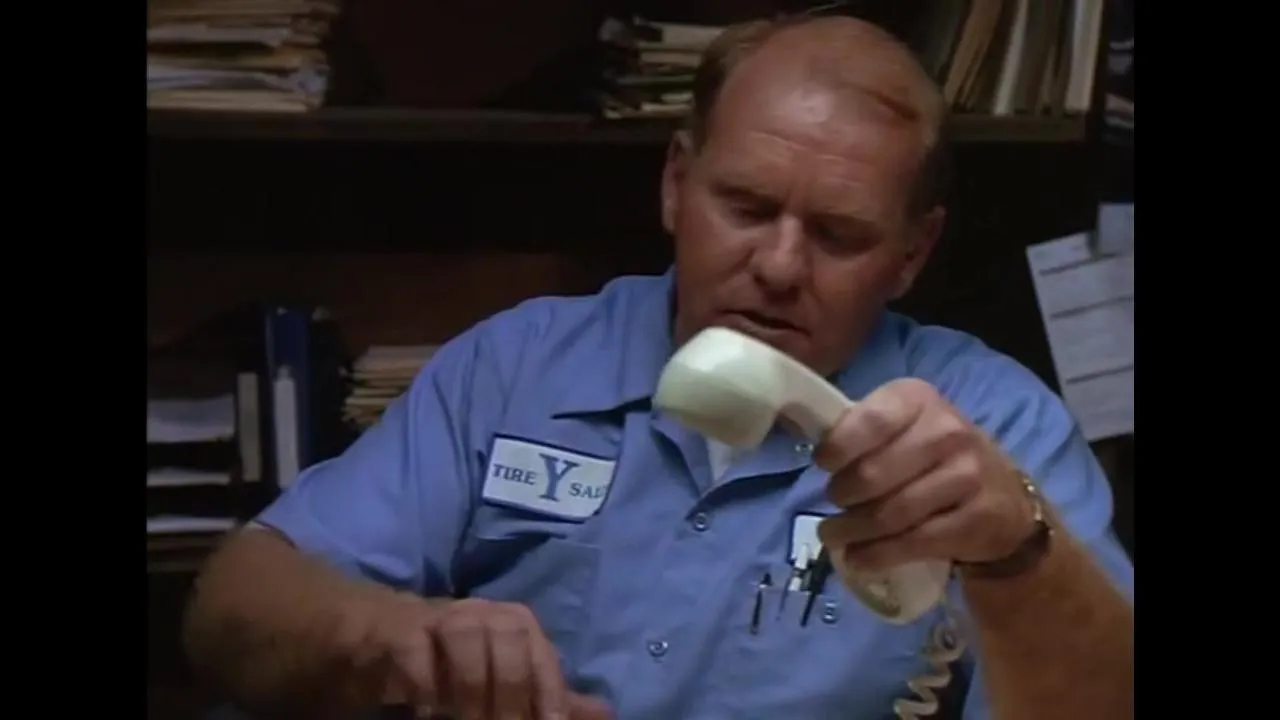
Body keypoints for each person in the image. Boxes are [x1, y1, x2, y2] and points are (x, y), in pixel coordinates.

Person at [184, 14, 1134, 720]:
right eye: (746, 208)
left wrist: (1019, 553)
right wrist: (400, 635)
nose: (779, 266)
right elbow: (235, 605)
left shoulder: (992, 425)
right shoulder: (519, 366)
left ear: (912, 254)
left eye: (839, 235)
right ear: (678, 184)